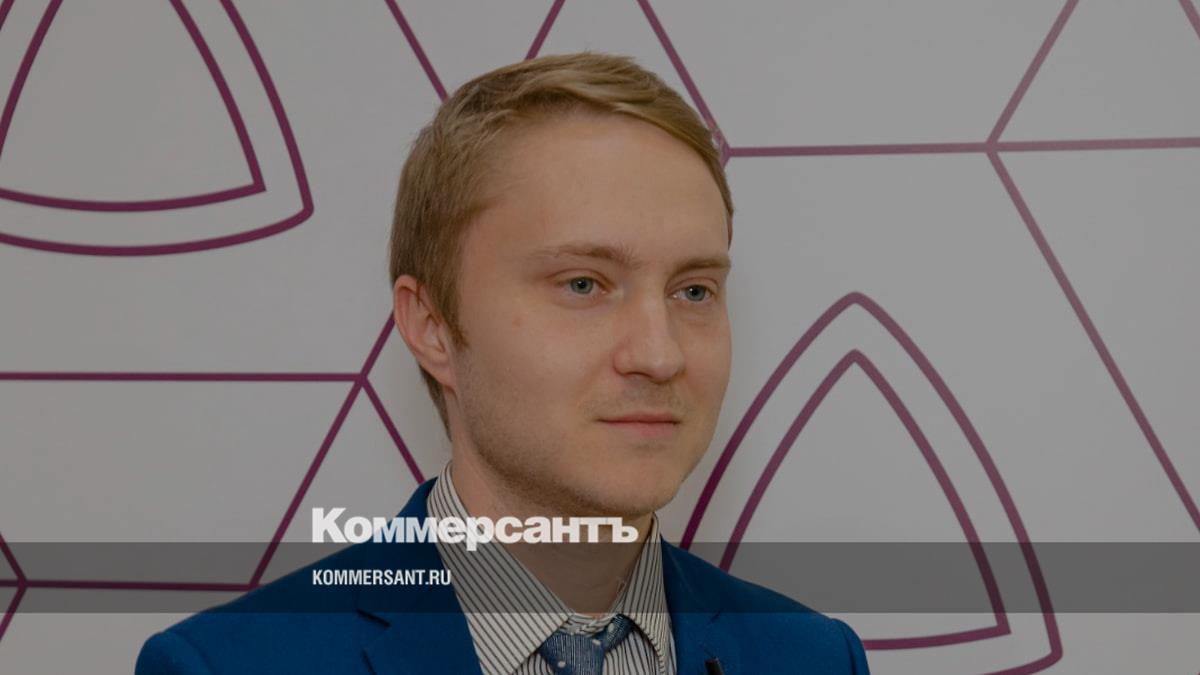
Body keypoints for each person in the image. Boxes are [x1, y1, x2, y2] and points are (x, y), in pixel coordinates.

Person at [136, 51, 869, 675]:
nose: (660, 352)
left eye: (694, 290)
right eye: (583, 284)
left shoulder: (812, 658)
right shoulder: (230, 665)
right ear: (432, 327)